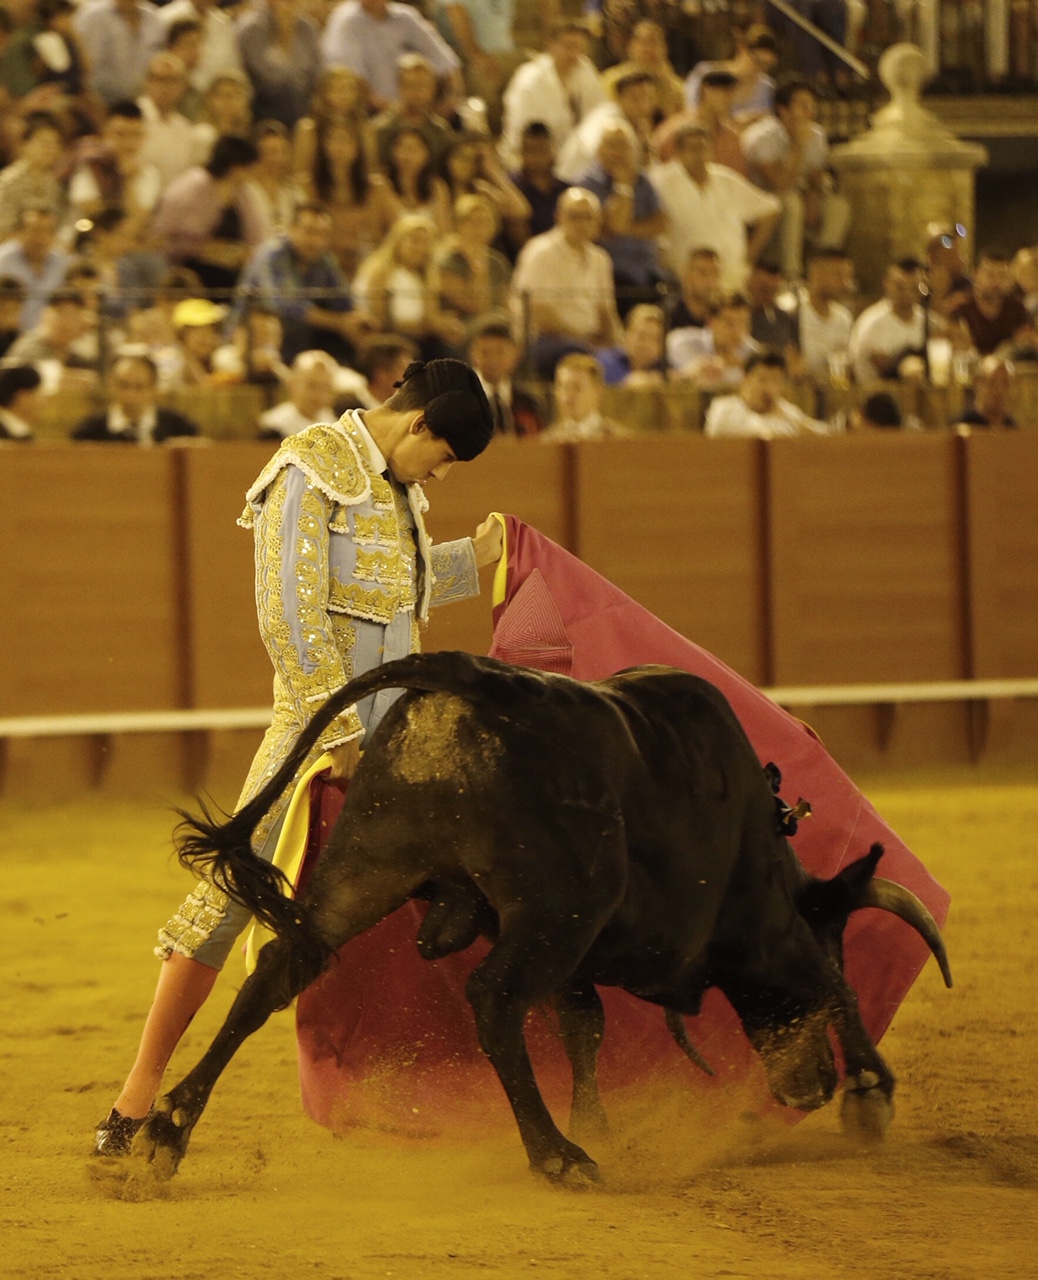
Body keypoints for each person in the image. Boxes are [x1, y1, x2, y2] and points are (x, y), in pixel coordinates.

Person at [92, 356, 502, 1156]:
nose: (441, 476)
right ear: (419, 424)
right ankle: (135, 1098)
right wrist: (336, 734)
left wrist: (476, 557)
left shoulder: (399, 492)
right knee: (226, 900)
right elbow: (287, 612)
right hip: (315, 744)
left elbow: (402, 594)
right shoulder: (310, 466)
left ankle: (439, 1095)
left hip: (398, 747)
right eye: (446, 456)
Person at [233, 202, 374, 364]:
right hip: (252, 341)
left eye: (323, 234)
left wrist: (359, 319)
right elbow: (287, 306)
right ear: (291, 228)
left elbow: (343, 300)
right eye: (310, 232)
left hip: (301, 341)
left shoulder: (323, 259)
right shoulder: (272, 255)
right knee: (294, 325)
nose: (316, 241)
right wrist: (340, 323)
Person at [741, 79, 850, 280]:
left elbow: (816, 177)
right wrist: (798, 146)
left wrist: (815, 198)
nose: (810, 111)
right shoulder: (762, 137)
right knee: (791, 203)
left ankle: (822, 269)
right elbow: (779, 183)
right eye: (802, 105)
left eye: (811, 105)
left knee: (837, 207)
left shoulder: (816, 134)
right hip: (764, 196)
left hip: (798, 192)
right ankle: (792, 275)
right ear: (783, 110)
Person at [510, 187, 623, 380]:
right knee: (582, 354)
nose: (582, 223)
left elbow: (606, 311)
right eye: (574, 216)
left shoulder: (600, 259)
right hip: (543, 341)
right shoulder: (540, 253)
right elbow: (537, 311)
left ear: (598, 220)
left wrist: (620, 344)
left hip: (588, 341)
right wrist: (583, 340)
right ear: (559, 216)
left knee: (625, 358)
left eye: (588, 217)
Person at [651, 122, 780, 290]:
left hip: (732, 276)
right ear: (679, 153)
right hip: (683, 279)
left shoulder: (726, 180)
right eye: (693, 148)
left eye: (704, 148)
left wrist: (748, 256)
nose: (700, 154)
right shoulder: (661, 182)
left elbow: (771, 209)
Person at [573, 120, 666, 315]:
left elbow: (661, 223)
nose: (618, 152)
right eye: (612, 145)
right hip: (612, 275)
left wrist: (626, 230)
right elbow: (614, 224)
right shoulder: (587, 184)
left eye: (623, 145)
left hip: (647, 270)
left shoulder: (642, 180)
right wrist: (623, 187)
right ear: (599, 150)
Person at [153, 134, 264, 292]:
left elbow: (255, 237)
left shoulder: (243, 192)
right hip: (190, 269)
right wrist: (207, 250)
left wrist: (243, 254)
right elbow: (165, 238)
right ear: (236, 168)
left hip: (234, 268)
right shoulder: (191, 187)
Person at [320, 0, 461, 115]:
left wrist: (451, 99)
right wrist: (397, 112)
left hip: (419, 112)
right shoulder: (345, 20)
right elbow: (352, 80)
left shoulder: (407, 17)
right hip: (370, 114)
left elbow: (447, 63)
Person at [499, 20, 606, 169]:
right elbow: (520, 133)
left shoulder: (585, 70)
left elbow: (599, 117)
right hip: (532, 159)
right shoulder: (529, 80)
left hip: (576, 157)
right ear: (551, 45)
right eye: (569, 47)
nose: (575, 54)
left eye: (580, 48)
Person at [72, 349, 201, 443]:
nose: (130, 394)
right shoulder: (90, 431)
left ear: (153, 388)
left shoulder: (178, 426)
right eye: (123, 386)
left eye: (139, 387)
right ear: (111, 384)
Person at [704, 349, 832, 438]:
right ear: (746, 380)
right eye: (762, 379)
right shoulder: (724, 408)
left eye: (775, 380)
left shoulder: (785, 409)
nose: (768, 387)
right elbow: (755, 436)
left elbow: (820, 432)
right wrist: (779, 418)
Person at [236, 0, 321, 129]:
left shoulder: (307, 27)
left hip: (302, 98)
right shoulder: (252, 27)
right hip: (263, 99)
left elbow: (314, 69)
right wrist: (285, 38)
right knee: (286, 93)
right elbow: (267, 74)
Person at [847, 258, 927, 386]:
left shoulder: (928, 320)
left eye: (913, 287)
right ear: (887, 284)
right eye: (900, 286)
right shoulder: (871, 323)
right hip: (877, 397)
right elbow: (881, 366)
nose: (907, 292)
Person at [73, 0, 166, 105]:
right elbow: (82, 62)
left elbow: (160, 58)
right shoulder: (91, 16)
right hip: (102, 100)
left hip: (143, 101)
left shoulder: (153, 17)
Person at [684, 23, 778, 125]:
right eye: (757, 61)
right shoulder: (705, 72)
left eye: (767, 65)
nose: (760, 69)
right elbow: (690, 109)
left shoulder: (767, 87)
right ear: (742, 49)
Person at [467, 314, 544, 436]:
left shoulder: (528, 403)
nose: (493, 360)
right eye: (485, 352)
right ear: (473, 354)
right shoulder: (462, 401)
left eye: (500, 352)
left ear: (515, 355)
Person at [952, 248, 1035, 357]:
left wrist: (1025, 342)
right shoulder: (962, 306)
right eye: (990, 275)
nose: (996, 282)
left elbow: (1029, 339)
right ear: (975, 274)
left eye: (1002, 275)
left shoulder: (1016, 307)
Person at [0, 206, 72, 330]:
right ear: (19, 232)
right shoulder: (3, 261)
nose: (40, 238)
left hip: (52, 338)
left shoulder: (62, 263)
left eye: (46, 231)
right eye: (34, 230)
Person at [668, 292, 759, 390]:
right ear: (711, 322)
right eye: (730, 323)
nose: (737, 331)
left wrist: (746, 367)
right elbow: (676, 380)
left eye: (743, 323)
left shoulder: (753, 353)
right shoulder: (684, 342)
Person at [601, 19, 684, 120]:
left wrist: (667, 85)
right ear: (631, 46)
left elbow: (679, 121)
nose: (648, 48)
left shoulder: (676, 86)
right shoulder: (612, 80)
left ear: (665, 49)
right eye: (643, 42)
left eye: (655, 42)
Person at [0, 111, 66, 240]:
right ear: (24, 145)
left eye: (55, 144)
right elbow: (2, 231)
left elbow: (57, 224)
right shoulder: (8, 182)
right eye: (44, 143)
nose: (50, 150)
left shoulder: (52, 183)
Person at [540, 351, 632, 443]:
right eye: (564, 387)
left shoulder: (619, 440)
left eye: (577, 387)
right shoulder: (548, 441)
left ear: (597, 392)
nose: (569, 394)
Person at [137, 52, 196, 192]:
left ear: (183, 86)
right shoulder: (133, 119)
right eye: (159, 79)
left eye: (173, 80)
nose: (165, 87)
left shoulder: (184, 127)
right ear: (147, 83)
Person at [796, 247, 854, 381]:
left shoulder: (843, 318)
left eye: (848, 276)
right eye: (838, 275)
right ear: (815, 272)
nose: (845, 283)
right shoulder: (791, 310)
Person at [257, 347, 338, 438]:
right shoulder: (273, 427)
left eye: (325, 388)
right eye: (311, 386)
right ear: (293, 384)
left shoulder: (335, 427)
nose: (318, 395)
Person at [597, 302, 666, 387]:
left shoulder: (664, 369)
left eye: (655, 339)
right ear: (626, 335)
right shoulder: (605, 363)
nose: (647, 345)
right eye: (642, 336)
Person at [953, 356, 1018, 430]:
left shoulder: (1012, 427)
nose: (999, 390)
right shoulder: (965, 426)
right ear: (978, 384)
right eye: (992, 383)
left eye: (1005, 383)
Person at [0, 363, 41, 440]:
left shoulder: (20, 431)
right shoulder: (7, 434)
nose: (42, 401)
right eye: (36, 393)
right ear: (21, 396)